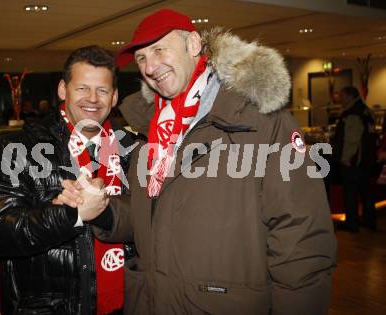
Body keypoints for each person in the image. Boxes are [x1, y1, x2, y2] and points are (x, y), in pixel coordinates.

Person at [60, 9, 336, 314]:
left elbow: (302, 239)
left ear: (193, 45)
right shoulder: (152, 132)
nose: (150, 66)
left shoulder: (260, 122)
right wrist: (103, 211)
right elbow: (150, 220)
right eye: (141, 58)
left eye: (159, 50)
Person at [0, 45, 135, 314]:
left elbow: (151, 225)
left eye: (103, 90)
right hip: (53, 307)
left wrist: (108, 212)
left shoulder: (132, 149)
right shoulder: (18, 148)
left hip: (129, 303)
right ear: (63, 90)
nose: (93, 99)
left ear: (115, 96)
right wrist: (71, 214)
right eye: (82, 88)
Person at [332, 86, 377, 232]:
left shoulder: (353, 113)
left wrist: (345, 158)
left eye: (342, 96)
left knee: (350, 192)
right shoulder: (364, 109)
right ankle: (369, 220)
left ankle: (352, 223)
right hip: (365, 159)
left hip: (354, 160)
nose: (340, 99)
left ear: (350, 96)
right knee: (365, 190)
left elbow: (352, 139)